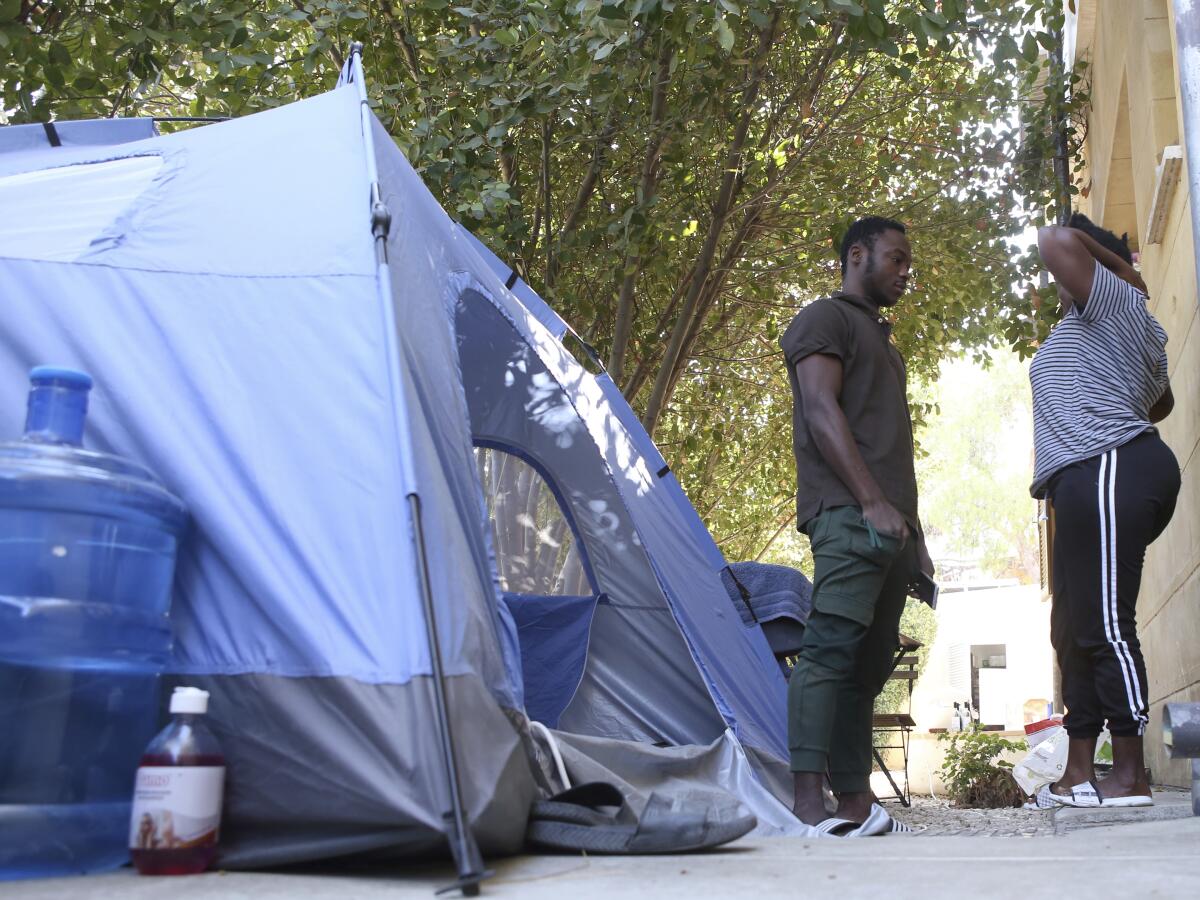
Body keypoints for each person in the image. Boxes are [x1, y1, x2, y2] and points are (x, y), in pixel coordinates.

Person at [780, 216, 933, 833]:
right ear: (857, 255)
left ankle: (854, 802)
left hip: (893, 528)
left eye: (907, 262)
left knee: (867, 669)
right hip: (848, 515)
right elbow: (820, 410)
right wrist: (869, 501)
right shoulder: (825, 320)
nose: (904, 271)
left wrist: (915, 544)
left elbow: (891, 449)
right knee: (827, 653)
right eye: (895, 259)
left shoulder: (884, 345)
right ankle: (806, 804)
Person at [1031, 213, 1178, 808]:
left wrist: (1123, 272)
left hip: (1110, 466)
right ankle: (1077, 771)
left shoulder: (1117, 301)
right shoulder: (1095, 322)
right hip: (1080, 481)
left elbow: (1052, 239)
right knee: (1071, 631)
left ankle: (1131, 774)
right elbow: (1159, 401)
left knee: (1106, 624)